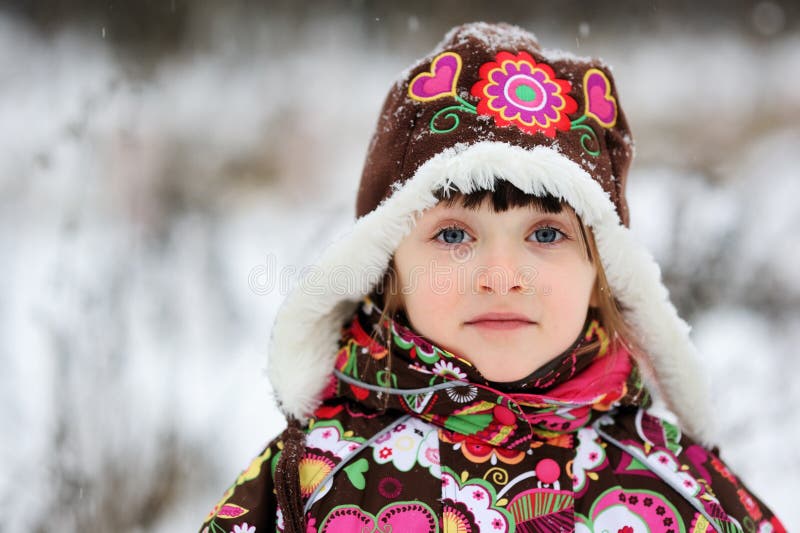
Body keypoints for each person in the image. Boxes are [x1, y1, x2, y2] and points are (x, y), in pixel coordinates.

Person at [200, 22, 786, 533]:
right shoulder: (306, 483)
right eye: (454, 235)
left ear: (602, 269)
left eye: (547, 234)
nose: (501, 277)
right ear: (385, 265)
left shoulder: (681, 489)